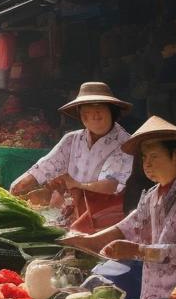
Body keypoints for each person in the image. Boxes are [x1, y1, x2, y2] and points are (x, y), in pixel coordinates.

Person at [61, 117, 176, 299]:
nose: (147, 164)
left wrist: (137, 250)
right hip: (150, 292)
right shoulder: (153, 194)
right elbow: (127, 227)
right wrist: (85, 241)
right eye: (144, 158)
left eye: (154, 156)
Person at [10, 82, 133, 231]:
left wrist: (77, 185)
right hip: (71, 213)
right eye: (87, 110)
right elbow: (47, 165)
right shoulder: (72, 139)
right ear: (80, 114)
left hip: (106, 222)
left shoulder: (126, 143)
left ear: (111, 111)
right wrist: (21, 184)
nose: (94, 115)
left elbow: (111, 185)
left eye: (100, 108)